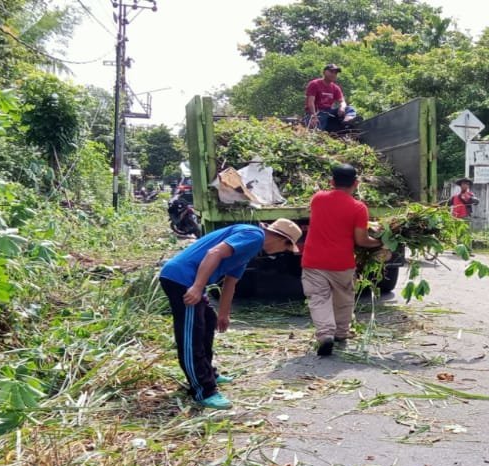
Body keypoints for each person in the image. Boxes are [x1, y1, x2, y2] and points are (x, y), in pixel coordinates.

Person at [157, 219, 303, 410]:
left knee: (208, 323)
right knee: (192, 335)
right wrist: (198, 287)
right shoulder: (253, 236)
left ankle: (208, 373)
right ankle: (203, 390)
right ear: (279, 238)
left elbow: (231, 282)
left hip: (189, 280)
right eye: (286, 247)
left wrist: (223, 314)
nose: (282, 252)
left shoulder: (249, 248)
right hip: (181, 278)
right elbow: (214, 253)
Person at [302, 164, 385, 357]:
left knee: (318, 298)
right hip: (341, 263)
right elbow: (361, 240)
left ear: (332, 182)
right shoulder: (358, 208)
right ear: (356, 183)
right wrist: (380, 242)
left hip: (313, 260)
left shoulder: (317, 199)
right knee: (343, 299)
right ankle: (340, 333)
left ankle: (325, 335)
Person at [304, 64, 345, 132]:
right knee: (317, 130)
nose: (334, 74)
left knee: (349, 109)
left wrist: (342, 107)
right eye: (331, 72)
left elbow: (342, 101)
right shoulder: (314, 84)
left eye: (336, 73)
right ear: (324, 72)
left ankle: (348, 121)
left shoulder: (335, 88)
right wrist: (313, 116)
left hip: (329, 112)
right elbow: (310, 102)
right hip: (317, 113)